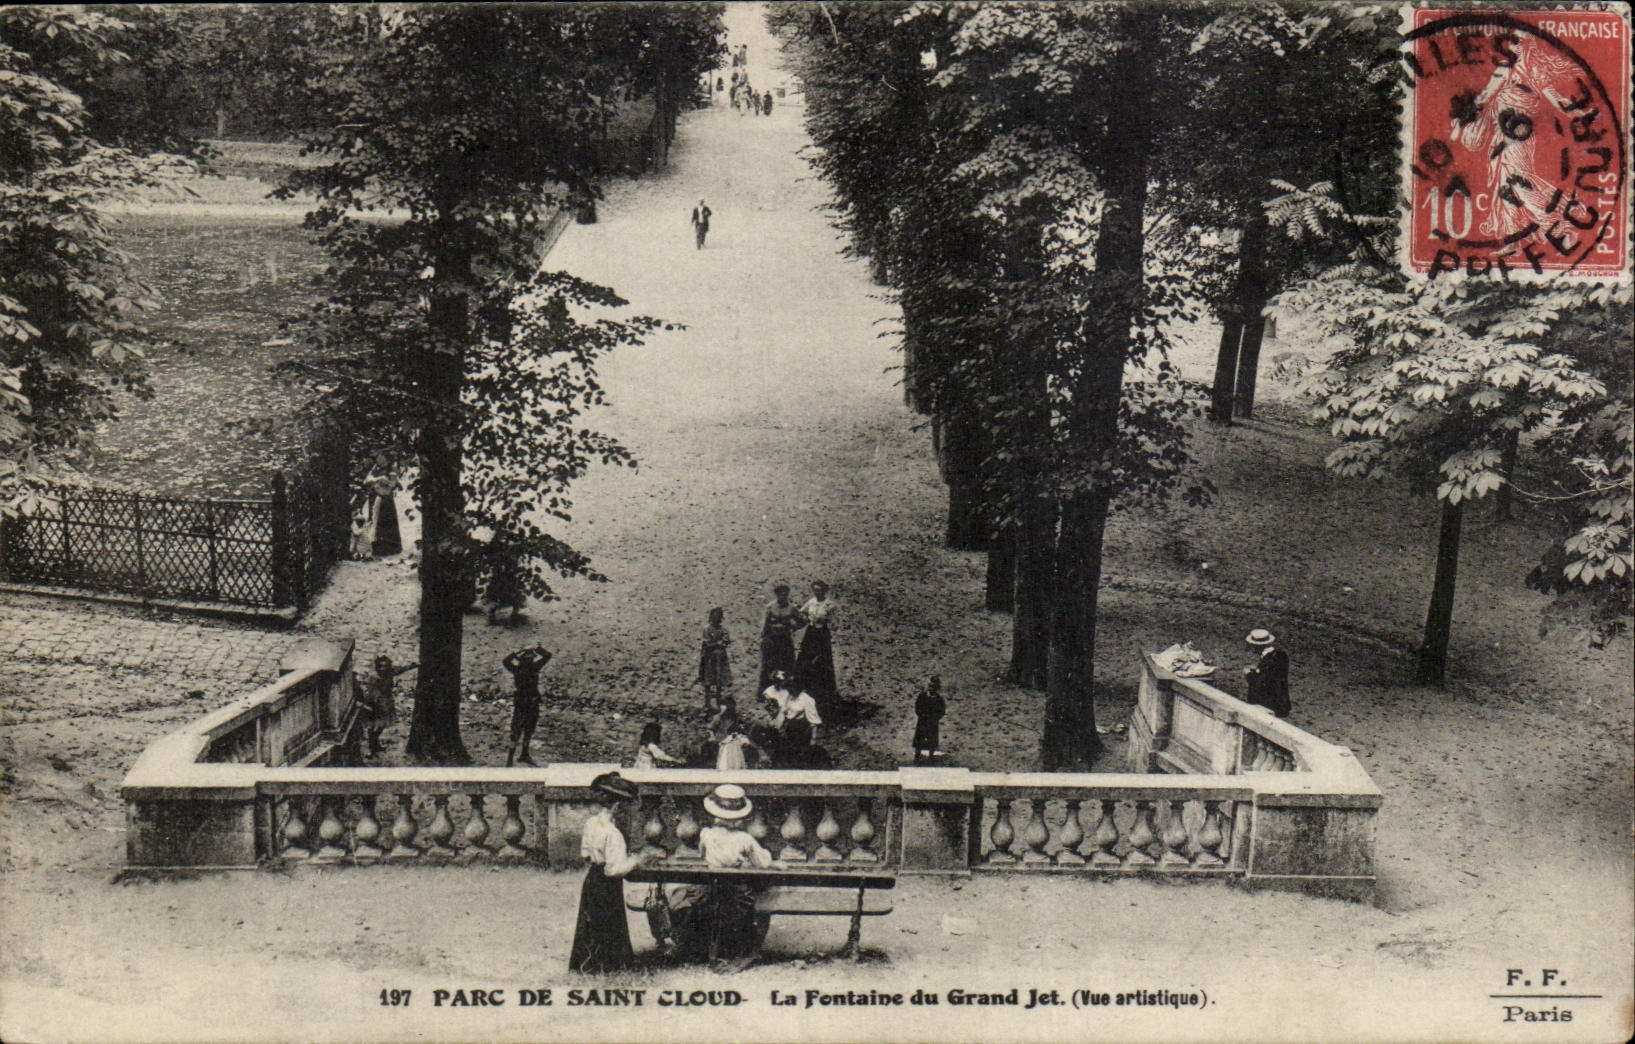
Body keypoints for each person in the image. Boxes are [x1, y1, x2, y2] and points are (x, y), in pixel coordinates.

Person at [691, 784, 784, 967]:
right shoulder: (744, 839)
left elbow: (702, 855)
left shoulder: (706, 835)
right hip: (737, 892)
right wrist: (773, 861)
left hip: (713, 888)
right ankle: (745, 949)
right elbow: (763, 862)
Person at [568, 772, 647, 972]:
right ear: (618, 806)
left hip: (592, 878)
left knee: (591, 921)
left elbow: (585, 854)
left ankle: (587, 963)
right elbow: (614, 870)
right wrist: (637, 860)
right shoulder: (613, 834)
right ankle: (610, 965)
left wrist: (600, 857)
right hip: (607, 884)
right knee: (609, 922)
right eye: (626, 808)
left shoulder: (591, 823)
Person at [358, 655, 417, 758]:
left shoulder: (390, 672)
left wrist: (412, 666)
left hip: (386, 701)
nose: (382, 668)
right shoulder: (374, 677)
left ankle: (375, 744)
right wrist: (377, 704)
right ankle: (372, 748)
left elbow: (400, 669)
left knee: (383, 724)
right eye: (380, 666)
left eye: (385, 666)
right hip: (375, 704)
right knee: (374, 726)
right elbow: (371, 693)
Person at [502, 646, 551, 766]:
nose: (531, 658)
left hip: (522, 703)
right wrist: (537, 649)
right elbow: (548, 655)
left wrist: (517, 652)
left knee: (518, 730)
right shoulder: (535, 667)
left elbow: (505, 661)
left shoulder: (516, 669)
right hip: (531, 702)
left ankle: (512, 758)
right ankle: (521, 755)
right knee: (526, 729)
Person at [794, 580, 838, 716]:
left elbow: (834, 622)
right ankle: (803, 686)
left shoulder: (830, 605)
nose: (817, 592)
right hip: (811, 633)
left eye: (819, 590)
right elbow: (801, 613)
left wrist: (831, 624)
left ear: (824, 591)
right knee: (805, 658)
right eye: (815, 590)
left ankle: (823, 691)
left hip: (822, 634)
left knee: (822, 660)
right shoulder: (811, 602)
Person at [757, 584, 803, 698]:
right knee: (769, 664)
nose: (783, 596)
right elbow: (764, 623)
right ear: (777, 594)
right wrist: (763, 636)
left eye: (785, 593)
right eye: (780, 593)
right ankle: (766, 691)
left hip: (785, 639)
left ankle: (785, 690)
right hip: (772, 639)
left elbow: (802, 620)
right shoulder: (770, 607)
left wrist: (794, 626)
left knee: (786, 664)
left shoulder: (791, 608)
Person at [1242, 628, 1290, 718]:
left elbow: (1262, 682)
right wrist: (1257, 670)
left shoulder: (1269, 659)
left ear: (1258, 646)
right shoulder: (1280, 655)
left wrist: (1249, 674)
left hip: (1268, 702)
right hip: (1279, 698)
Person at [361, 457, 402, 558]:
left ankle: (390, 548)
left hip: (386, 499)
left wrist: (384, 481)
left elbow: (393, 484)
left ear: (385, 458)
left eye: (381, 456)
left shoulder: (392, 469)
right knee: (375, 520)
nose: (378, 459)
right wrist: (378, 479)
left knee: (386, 521)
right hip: (375, 497)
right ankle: (377, 547)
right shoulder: (375, 468)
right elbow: (366, 481)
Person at [697, 608, 732, 712]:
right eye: (714, 617)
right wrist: (717, 643)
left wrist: (719, 643)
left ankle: (718, 701)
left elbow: (726, 641)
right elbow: (707, 643)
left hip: (720, 659)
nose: (716, 619)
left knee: (719, 680)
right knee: (708, 680)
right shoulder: (707, 629)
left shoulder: (723, 630)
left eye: (718, 617)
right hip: (709, 659)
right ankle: (707, 703)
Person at [912, 674, 946, 763]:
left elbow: (942, 711)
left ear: (937, 689)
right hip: (922, 720)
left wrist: (935, 717)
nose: (931, 689)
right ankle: (917, 754)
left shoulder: (939, 699)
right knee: (920, 737)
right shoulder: (922, 696)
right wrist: (922, 715)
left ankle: (931, 755)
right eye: (930, 687)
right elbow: (917, 707)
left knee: (932, 739)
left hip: (933, 722)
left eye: (934, 687)